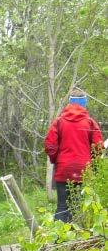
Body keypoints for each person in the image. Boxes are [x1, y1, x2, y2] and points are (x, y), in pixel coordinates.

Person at [44, 88, 103, 222]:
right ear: (84, 103)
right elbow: (98, 147)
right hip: (84, 170)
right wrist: (92, 163)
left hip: (63, 169)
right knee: (81, 206)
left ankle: (60, 240)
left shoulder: (59, 122)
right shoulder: (90, 122)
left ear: (70, 103)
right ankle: (79, 238)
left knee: (62, 207)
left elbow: (50, 145)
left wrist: (56, 160)